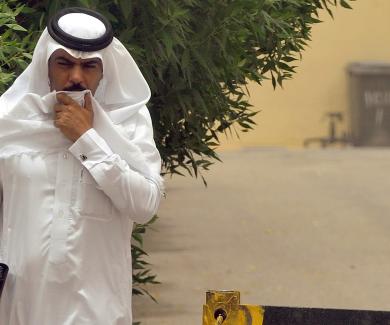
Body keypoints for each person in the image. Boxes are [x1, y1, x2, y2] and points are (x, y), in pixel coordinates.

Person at [0, 7, 163, 325]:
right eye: (64, 63)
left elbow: (145, 205)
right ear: (46, 66)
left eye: (89, 66)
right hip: (20, 306)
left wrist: (88, 140)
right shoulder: (10, 123)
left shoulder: (127, 126)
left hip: (96, 310)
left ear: (104, 72)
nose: (76, 77)